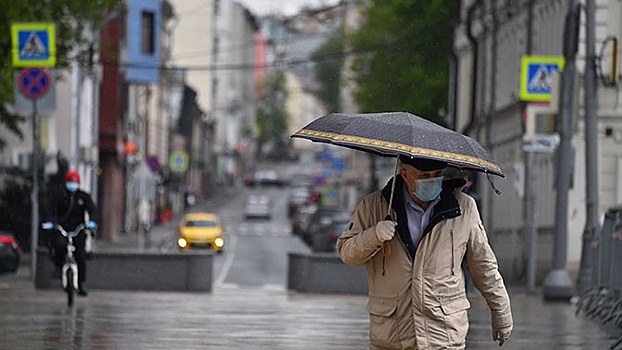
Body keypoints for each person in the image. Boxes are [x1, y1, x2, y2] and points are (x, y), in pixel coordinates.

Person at [337, 155, 513, 349]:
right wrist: (374, 235)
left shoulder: (463, 206)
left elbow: (483, 265)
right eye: (424, 175)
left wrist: (501, 313)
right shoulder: (375, 206)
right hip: (391, 337)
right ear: (405, 174)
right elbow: (347, 253)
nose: (432, 180)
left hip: (443, 335)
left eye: (437, 174)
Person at [44, 170, 98, 296]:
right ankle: (58, 266)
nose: (72, 184)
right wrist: (51, 222)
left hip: (78, 229)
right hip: (62, 229)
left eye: (75, 182)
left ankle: (81, 283)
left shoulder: (84, 197)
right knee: (59, 245)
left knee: (80, 255)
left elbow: (92, 211)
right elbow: (51, 211)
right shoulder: (59, 196)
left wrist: (92, 222)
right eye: (70, 182)